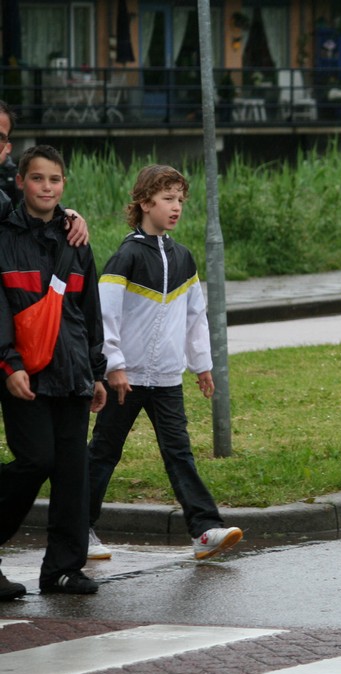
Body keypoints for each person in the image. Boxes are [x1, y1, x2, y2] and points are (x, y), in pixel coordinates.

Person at [85, 164, 242, 562]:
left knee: (179, 453)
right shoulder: (126, 256)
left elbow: (195, 316)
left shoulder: (183, 257)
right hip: (127, 378)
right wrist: (114, 365)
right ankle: (76, 528)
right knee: (104, 452)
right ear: (144, 202)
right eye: (168, 199)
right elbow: (105, 316)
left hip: (168, 379)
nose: (176, 207)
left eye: (180, 200)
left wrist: (201, 364)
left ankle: (205, 530)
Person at [0, 145, 107, 600]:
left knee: (72, 473)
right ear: (20, 181)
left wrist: (97, 372)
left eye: (55, 179)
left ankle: (63, 570)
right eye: (38, 178)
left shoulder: (76, 239)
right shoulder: (3, 238)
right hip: (23, 374)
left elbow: (90, 311)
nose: (47, 187)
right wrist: (9, 364)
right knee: (36, 460)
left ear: (64, 184)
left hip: (73, 372)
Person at [0, 100, 89, 243]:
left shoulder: (3, 204)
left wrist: (66, 214)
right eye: (37, 178)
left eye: (0, 137)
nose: (47, 186)